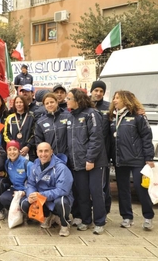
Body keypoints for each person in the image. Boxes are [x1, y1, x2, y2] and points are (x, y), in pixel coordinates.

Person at [109, 90, 155, 230]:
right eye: (114, 98)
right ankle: (127, 217)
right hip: (119, 159)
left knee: (141, 188)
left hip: (137, 159)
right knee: (123, 189)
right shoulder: (112, 117)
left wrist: (149, 157)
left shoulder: (138, 116)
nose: (115, 100)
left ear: (126, 99)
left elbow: (147, 137)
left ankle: (148, 217)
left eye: (118, 98)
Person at [66, 88, 108, 235]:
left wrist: (90, 159)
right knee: (82, 192)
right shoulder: (70, 116)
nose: (66, 100)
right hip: (77, 163)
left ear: (77, 100)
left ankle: (100, 221)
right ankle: (86, 220)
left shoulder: (92, 114)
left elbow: (96, 139)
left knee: (96, 192)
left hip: (94, 163)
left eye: (69, 98)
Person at [19, 142, 74, 237]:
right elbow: (30, 183)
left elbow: (62, 190)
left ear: (51, 152)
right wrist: (31, 194)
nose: (43, 154)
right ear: (36, 152)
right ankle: (47, 216)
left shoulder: (61, 168)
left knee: (61, 202)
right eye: (40, 151)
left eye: (46, 151)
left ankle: (65, 223)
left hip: (58, 198)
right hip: (42, 198)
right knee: (24, 203)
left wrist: (41, 195)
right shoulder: (35, 165)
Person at [90, 80, 112, 215]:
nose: (98, 93)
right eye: (96, 90)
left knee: (103, 185)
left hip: (103, 152)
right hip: (88, 152)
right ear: (91, 91)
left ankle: (104, 210)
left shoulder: (108, 107)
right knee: (89, 186)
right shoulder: (85, 105)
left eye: (101, 91)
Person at [0, 140, 32, 220]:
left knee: (24, 204)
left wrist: (24, 192)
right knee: (2, 198)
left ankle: (25, 210)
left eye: (14, 149)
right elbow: (10, 175)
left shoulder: (27, 164)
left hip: (26, 191)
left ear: (19, 151)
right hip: (15, 189)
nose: (12, 152)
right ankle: (17, 211)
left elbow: (33, 182)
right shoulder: (7, 163)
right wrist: (3, 174)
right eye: (9, 149)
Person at [3, 95, 36, 161]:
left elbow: (34, 134)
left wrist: (28, 146)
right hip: (13, 151)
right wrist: (14, 146)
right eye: (17, 102)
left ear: (24, 103)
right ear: (14, 104)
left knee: (28, 169)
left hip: (28, 151)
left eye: (21, 102)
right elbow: (6, 134)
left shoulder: (31, 116)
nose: (19, 104)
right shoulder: (10, 117)